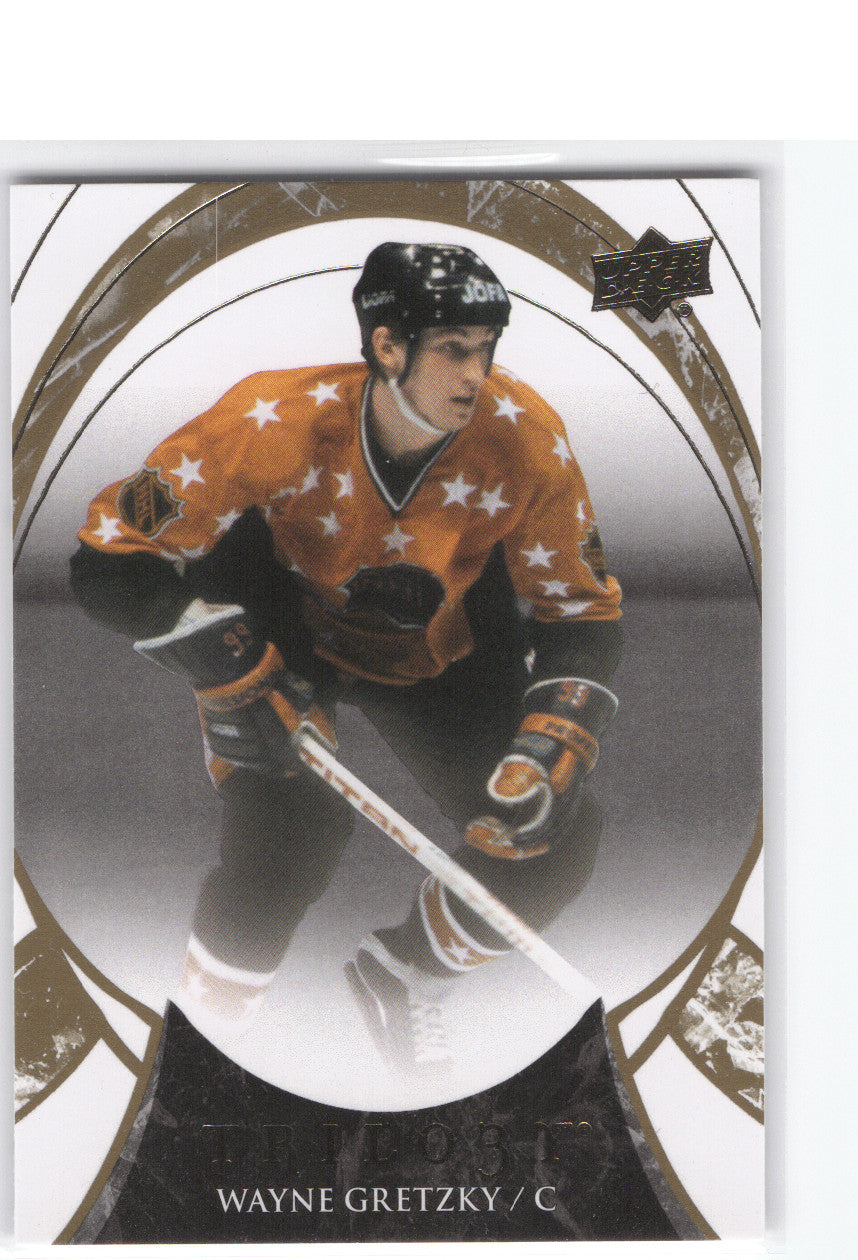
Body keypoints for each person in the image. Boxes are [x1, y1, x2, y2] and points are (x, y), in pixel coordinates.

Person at [70, 242, 623, 1079]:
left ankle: (404, 975)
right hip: (279, 636)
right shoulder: (274, 417)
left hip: (434, 646)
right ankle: (202, 1049)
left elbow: (582, 610)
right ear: (388, 345)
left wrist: (558, 733)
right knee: (288, 837)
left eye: (486, 348)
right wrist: (218, 659)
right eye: (453, 349)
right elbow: (107, 561)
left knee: (551, 833)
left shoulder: (526, 437)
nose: (476, 375)